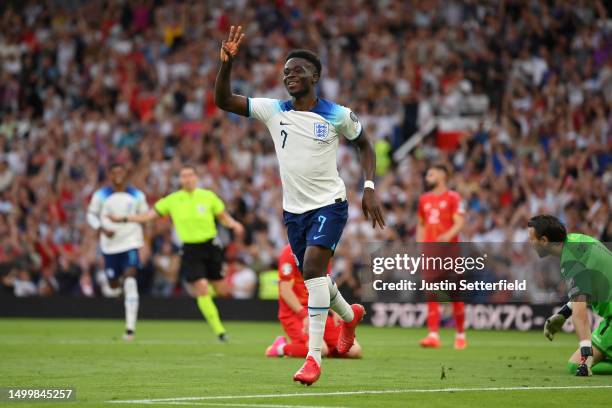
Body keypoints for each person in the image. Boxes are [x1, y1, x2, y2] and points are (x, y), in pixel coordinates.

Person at [214, 26, 385, 385]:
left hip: (330, 204)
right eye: (286, 72)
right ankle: (349, 316)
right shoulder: (273, 110)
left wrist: (368, 186)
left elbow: (365, 144)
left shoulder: (337, 114)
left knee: (311, 271)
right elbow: (224, 101)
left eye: (297, 70)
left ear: (315, 76)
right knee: (316, 275)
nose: (290, 76)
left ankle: (313, 358)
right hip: (293, 211)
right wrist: (226, 65)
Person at [110, 165, 244, 342]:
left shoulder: (208, 196)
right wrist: (126, 219)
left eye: (190, 175)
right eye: (184, 176)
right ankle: (220, 332)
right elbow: (150, 215)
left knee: (221, 289)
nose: (187, 179)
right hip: (190, 249)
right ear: (180, 180)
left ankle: (213, 308)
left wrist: (234, 224)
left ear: (196, 178)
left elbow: (223, 216)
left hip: (212, 247)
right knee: (202, 287)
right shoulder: (172, 200)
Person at [528, 214, 612, 376]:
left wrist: (586, 357)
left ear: (544, 241)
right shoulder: (577, 240)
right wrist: (562, 314)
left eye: (532, 239)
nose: (530, 244)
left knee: (575, 365)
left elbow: (580, 314)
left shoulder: (571, 261)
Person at [266, 244, 362, 359]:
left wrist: (337, 310)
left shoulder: (323, 251)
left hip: (319, 309)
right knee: (321, 349)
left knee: (354, 351)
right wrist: (304, 315)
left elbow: (326, 285)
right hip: (295, 313)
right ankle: (279, 347)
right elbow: (285, 290)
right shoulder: (290, 251)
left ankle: (327, 348)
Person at [87, 163, 148, 341]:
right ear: (110, 175)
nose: (118, 176)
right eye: (114, 173)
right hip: (110, 246)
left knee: (131, 278)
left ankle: (130, 329)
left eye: (121, 172)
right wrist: (101, 228)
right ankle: (118, 286)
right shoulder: (101, 195)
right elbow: (91, 214)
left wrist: (147, 242)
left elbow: (145, 217)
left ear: (126, 174)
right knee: (113, 285)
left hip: (131, 242)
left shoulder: (137, 195)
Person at [416, 163, 467, 350]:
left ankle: (460, 334)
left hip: (450, 254)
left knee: (455, 295)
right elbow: (421, 224)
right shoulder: (423, 200)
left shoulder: (454, 197)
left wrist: (448, 235)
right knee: (431, 294)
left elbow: (460, 221)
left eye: (431, 173)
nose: (427, 176)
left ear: (443, 176)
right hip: (431, 254)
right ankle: (433, 335)